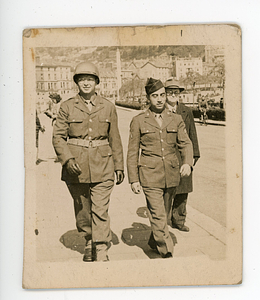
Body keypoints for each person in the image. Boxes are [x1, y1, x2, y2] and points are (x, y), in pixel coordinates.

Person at [52, 61, 124, 262]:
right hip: (76, 166)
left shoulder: (108, 107)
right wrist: (67, 159)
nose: (86, 83)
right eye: (82, 79)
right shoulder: (67, 106)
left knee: (100, 208)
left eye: (89, 79)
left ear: (96, 82)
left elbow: (115, 138)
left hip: (103, 164)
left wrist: (119, 165)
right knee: (83, 209)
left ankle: (101, 248)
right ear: (76, 82)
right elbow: (58, 136)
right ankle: (88, 241)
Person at [127, 78, 193, 258]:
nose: (159, 99)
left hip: (171, 174)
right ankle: (166, 249)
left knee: (163, 212)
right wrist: (133, 179)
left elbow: (185, 143)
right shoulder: (139, 120)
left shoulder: (176, 118)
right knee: (157, 213)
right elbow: (132, 152)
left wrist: (187, 162)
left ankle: (153, 241)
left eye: (162, 95)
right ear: (148, 98)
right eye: (155, 96)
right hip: (149, 174)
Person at [165, 78, 200, 232]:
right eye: (169, 91)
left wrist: (193, 157)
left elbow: (193, 134)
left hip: (183, 156)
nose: (173, 94)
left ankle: (179, 220)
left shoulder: (187, 111)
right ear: (165, 93)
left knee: (183, 190)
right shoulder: (159, 110)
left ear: (179, 93)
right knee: (167, 190)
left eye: (176, 91)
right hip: (166, 157)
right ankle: (164, 221)